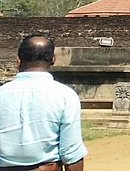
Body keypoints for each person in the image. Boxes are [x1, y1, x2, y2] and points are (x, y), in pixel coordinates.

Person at [0, 35, 87, 171]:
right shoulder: (65, 96)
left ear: (18, 60)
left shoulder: (2, 93)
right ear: (53, 59)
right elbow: (71, 153)